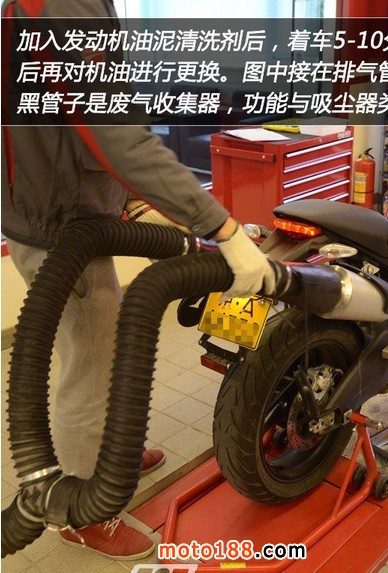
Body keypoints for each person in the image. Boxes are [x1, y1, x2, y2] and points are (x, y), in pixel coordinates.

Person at [1, 0, 275, 561]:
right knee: (92, 365)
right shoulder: (67, 6)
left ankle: (111, 454)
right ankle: (84, 508)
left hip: (66, 212)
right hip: (61, 231)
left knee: (105, 344)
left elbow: (71, 119)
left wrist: (123, 201)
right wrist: (222, 227)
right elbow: (114, 133)